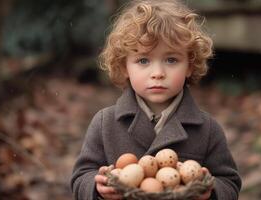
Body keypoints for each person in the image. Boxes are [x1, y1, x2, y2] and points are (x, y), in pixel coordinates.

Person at [70, 0, 241, 199]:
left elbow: (230, 182)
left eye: (171, 60)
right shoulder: (104, 123)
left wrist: (211, 192)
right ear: (125, 66)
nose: (158, 73)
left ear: (189, 66)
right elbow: (80, 177)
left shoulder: (208, 129)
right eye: (143, 60)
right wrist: (96, 188)